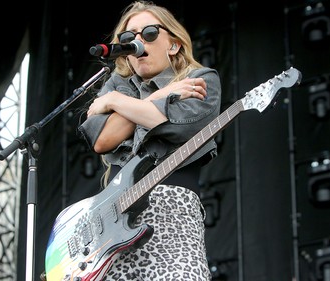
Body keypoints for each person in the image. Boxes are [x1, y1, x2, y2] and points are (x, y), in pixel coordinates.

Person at [78, 1, 222, 280]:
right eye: (129, 38)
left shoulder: (200, 80)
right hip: (114, 225)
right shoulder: (116, 86)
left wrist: (116, 105)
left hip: (173, 219)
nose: (138, 42)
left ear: (174, 45)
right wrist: (157, 97)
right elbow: (103, 139)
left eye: (150, 33)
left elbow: (174, 127)